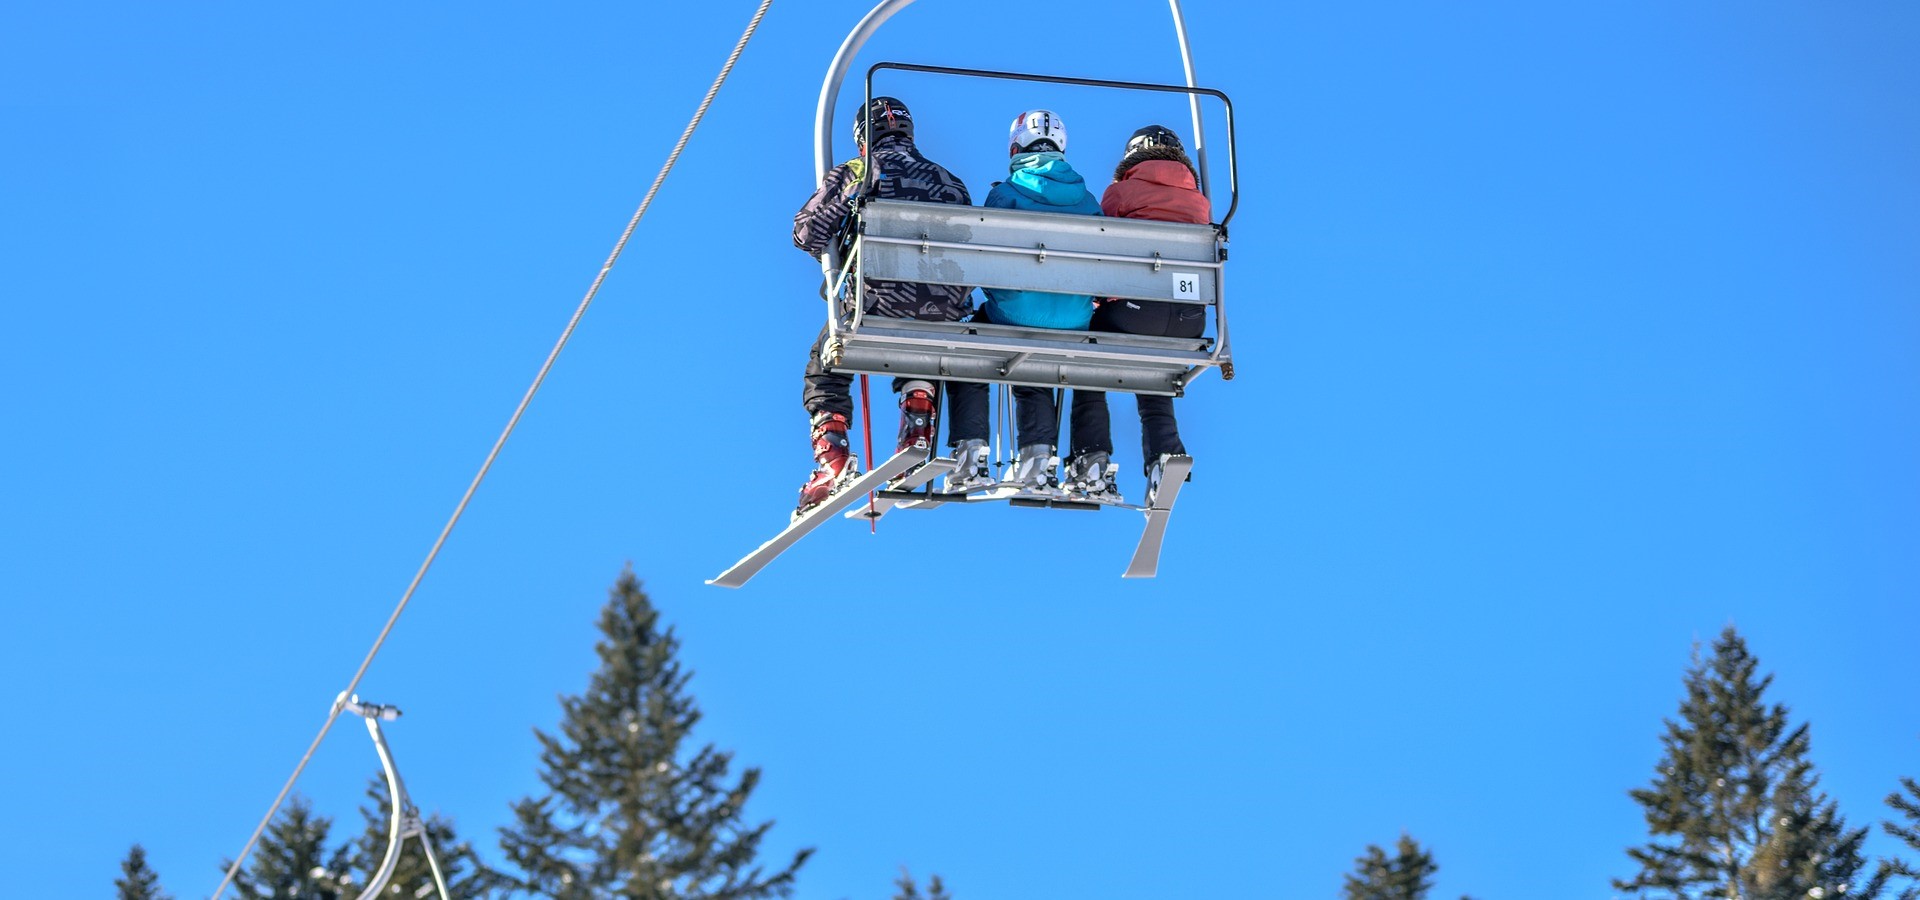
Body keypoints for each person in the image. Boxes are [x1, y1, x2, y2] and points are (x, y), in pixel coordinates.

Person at [791, 96, 982, 518]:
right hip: (942, 310)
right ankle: (917, 422)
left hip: (876, 302)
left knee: (823, 366)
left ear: (863, 138)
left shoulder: (861, 171)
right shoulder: (948, 181)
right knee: (919, 338)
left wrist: (838, 256)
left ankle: (833, 460)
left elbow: (807, 232)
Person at [947, 109, 1104, 495]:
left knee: (974, 342)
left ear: (1016, 147)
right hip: (1075, 319)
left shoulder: (1005, 194)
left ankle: (974, 450)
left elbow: (983, 256)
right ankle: (1039, 458)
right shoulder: (1088, 201)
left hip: (1016, 313)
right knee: (1038, 353)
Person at [1063, 125, 1212, 504]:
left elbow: (1103, 248)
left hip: (1133, 311)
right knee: (1155, 375)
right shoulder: (1200, 202)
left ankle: (1090, 457)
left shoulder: (1121, 193)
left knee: (1086, 361)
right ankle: (1165, 453)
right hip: (1188, 319)